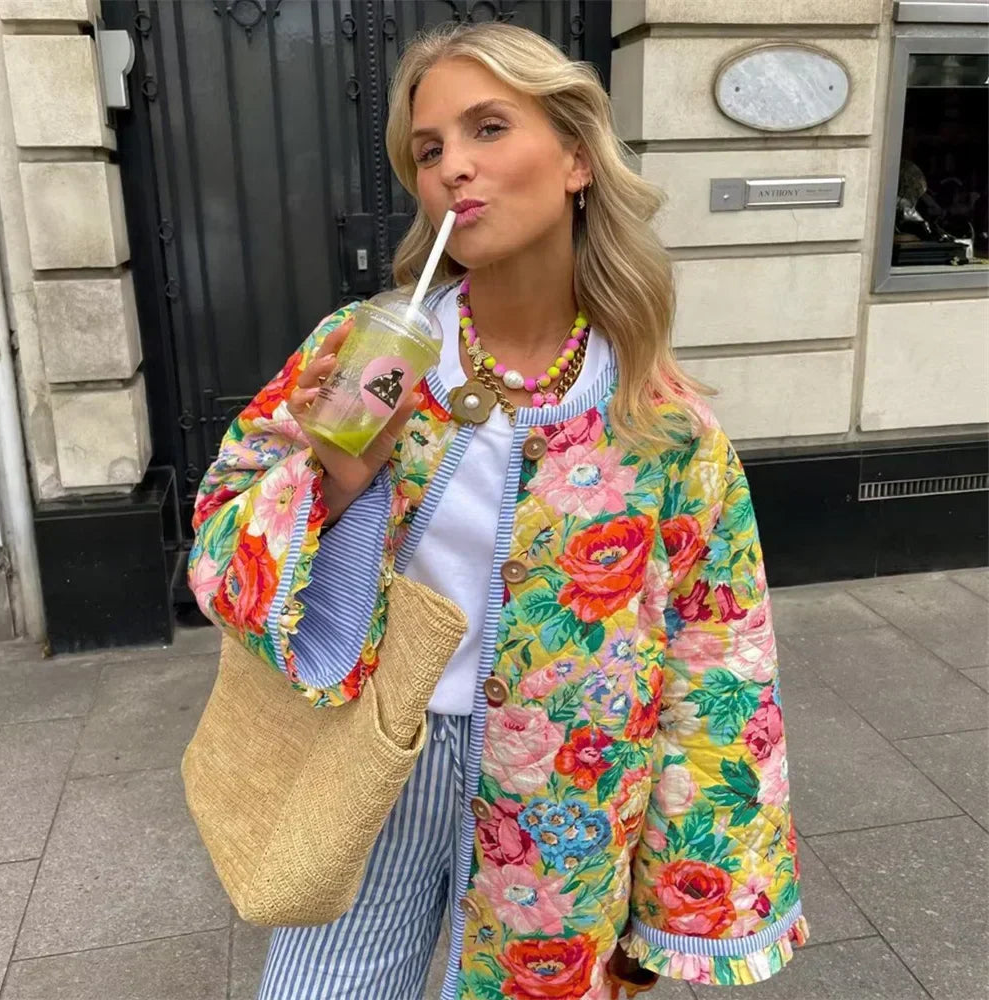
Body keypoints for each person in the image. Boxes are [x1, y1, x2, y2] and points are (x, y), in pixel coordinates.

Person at [188, 21, 808, 1000]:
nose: (452, 168)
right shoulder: (365, 350)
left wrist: (677, 906)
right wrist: (332, 481)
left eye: (487, 128)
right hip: (370, 757)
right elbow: (219, 538)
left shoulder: (658, 421)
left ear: (574, 159)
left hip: (567, 795)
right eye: (429, 148)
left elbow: (719, 659)